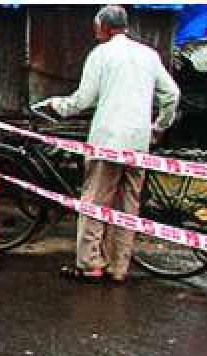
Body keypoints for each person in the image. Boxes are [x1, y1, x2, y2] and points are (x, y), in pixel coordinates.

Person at [40, 5, 179, 283]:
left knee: (95, 200)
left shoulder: (100, 54)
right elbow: (172, 95)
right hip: (139, 142)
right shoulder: (148, 54)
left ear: (103, 27)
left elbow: (83, 99)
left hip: (107, 140)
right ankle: (118, 267)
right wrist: (158, 127)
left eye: (96, 27)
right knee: (128, 205)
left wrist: (56, 106)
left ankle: (91, 263)